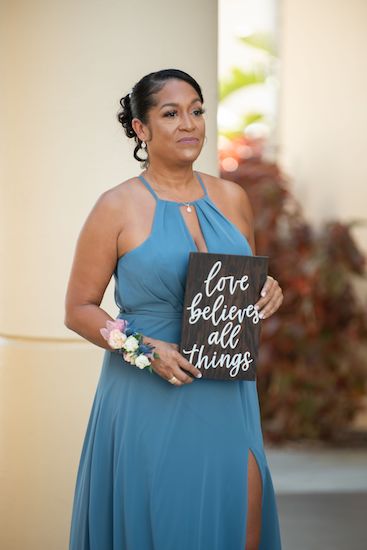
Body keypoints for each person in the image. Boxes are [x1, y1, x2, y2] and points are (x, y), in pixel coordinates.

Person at [65, 68, 283, 550]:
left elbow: (241, 283)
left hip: (228, 394)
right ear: (141, 129)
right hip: (147, 394)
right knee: (162, 527)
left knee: (241, 519)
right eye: (171, 113)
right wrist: (144, 350)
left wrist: (268, 288)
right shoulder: (116, 206)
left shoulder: (233, 198)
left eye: (197, 110)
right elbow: (79, 308)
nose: (190, 124)